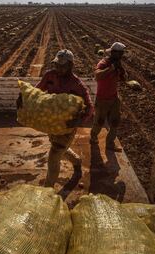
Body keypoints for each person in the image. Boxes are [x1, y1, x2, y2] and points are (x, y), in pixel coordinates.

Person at [34, 49, 93, 187]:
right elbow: (37, 90)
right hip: (52, 122)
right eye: (57, 65)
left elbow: (89, 107)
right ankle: (77, 161)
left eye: (62, 66)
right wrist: (25, 97)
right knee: (60, 147)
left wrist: (78, 121)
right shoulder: (50, 75)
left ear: (71, 66)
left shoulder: (76, 85)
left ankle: (47, 189)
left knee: (54, 154)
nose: (58, 68)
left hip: (67, 126)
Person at [90, 42, 127, 151]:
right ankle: (93, 138)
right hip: (102, 99)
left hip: (114, 98)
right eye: (120, 53)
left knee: (115, 122)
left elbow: (123, 79)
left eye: (122, 54)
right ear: (113, 52)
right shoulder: (104, 62)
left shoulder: (118, 64)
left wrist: (122, 72)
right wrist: (110, 69)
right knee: (99, 122)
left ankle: (110, 144)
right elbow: (97, 75)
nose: (121, 56)